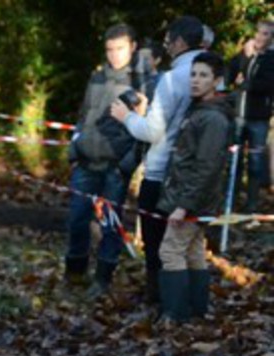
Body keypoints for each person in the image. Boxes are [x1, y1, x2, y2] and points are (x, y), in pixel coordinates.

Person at [111, 16, 205, 309]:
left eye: (168, 41)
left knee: (156, 243)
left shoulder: (173, 78)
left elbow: (153, 131)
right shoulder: (210, 74)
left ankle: (161, 302)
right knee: (189, 245)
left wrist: (127, 117)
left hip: (162, 170)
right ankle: (192, 303)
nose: (166, 47)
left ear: (179, 42)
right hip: (195, 172)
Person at [64, 24, 141, 297]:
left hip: (114, 167)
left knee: (110, 225)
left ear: (132, 47)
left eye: (120, 49)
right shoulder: (96, 78)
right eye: (109, 49)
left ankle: (103, 279)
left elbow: (143, 131)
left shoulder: (140, 83)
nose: (114, 55)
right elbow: (83, 115)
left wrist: (126, 165)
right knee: (77, 219)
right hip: (86, 161)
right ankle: (74, 274)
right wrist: (74, 149)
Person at [157, 52, 233, 322]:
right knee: (193, 251)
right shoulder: (199, 109)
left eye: (203, 75)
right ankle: (196, 310)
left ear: (217, 81)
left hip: (193, 200)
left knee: (170, 251)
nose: (195, 80)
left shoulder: (213, 119)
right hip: (192, 197)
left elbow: (206, 167)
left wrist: (183, 205)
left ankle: (175, 314)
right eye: (193, 74)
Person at [226, 21, 273, 214]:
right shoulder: (247, 53)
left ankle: (252, 203)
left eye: (266, 34)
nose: (261, 37)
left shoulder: (271, 59)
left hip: (258, 117)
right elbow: (230, 74)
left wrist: (247, 84)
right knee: (235, 159)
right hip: (240, 114)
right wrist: (244, 56)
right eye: (259, 33)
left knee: (255, 162)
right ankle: (231, 200)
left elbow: (268, 84)